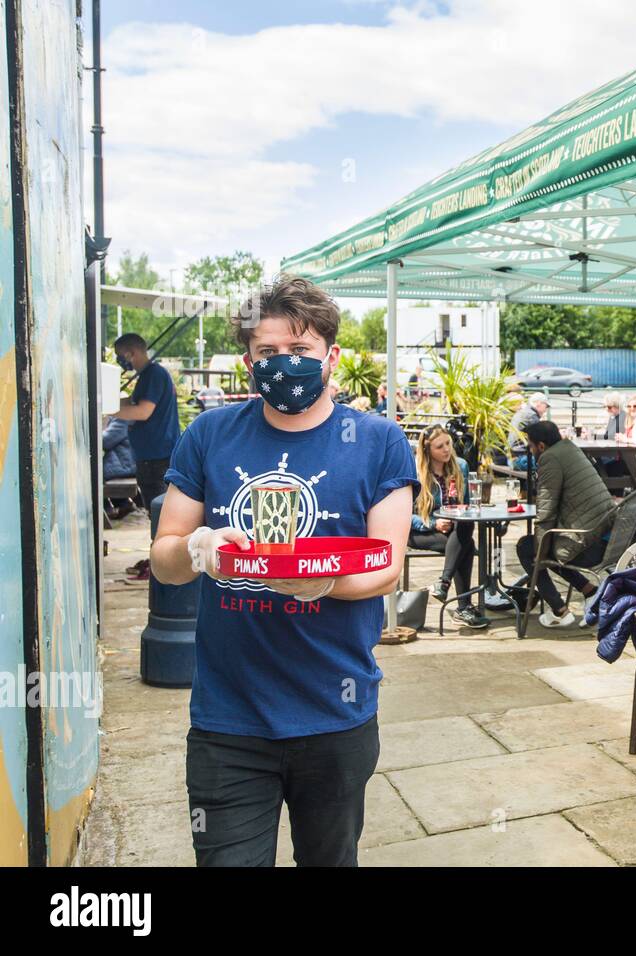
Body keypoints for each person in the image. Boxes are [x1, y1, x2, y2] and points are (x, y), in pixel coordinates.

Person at [150, 275, 418, 867]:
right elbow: (164, 562)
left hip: (335, 713)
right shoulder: (209, 435)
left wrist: (322, 581)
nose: (283, 365)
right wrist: (199, 548)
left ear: (331, 357)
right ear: (248, 361)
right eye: (267, 353)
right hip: (229, 720)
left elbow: (386, 565)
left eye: (299, 352)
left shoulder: (378, 442)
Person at [514, 420, 617, 628]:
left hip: (588, 545)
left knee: (529, 548)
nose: (530, 450)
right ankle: (589, 591)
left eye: (531, 446)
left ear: (541, 446)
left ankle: (559, 610)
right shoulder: (570, 448)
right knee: (548, 546)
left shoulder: (550, 459)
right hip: (603, 537)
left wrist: (539, 550)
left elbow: (545, 510)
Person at [411, 425, 488, 630]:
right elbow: (403, 515)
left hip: (454, 530)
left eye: (448, 443)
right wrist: (431, 523)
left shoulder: (460, 466)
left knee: (465, 528)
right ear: (428, 451)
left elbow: (469, 507)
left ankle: (444, 583)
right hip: (420, 532)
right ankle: (463, 607)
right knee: (466, 545)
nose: (446, 449)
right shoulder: (416, 473)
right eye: (440, 446)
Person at [112, 332, 180, 515]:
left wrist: (108, 411)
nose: (119, 360)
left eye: (120, 355)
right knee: (155, 509)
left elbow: (143, 411)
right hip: (150, 455)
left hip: (157, 457)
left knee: (160, 512)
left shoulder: (154, 375)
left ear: (131, 353)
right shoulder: (147, 376)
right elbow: (132, 403)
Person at [102, 417, 138, 521]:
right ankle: (123, 503)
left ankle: (106, 508)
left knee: (92, 475)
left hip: (124, 464)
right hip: (126, 462)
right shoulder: (124, 418)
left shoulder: (122, 419)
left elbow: (106, 440)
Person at [509, 393, 551, 470]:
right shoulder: (531, 416)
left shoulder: (524, 412)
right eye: (546, 406)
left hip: (513, 457)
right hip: (522, 459)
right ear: (539, 404)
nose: (546, 409)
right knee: (554, 464)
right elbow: (540, 440)